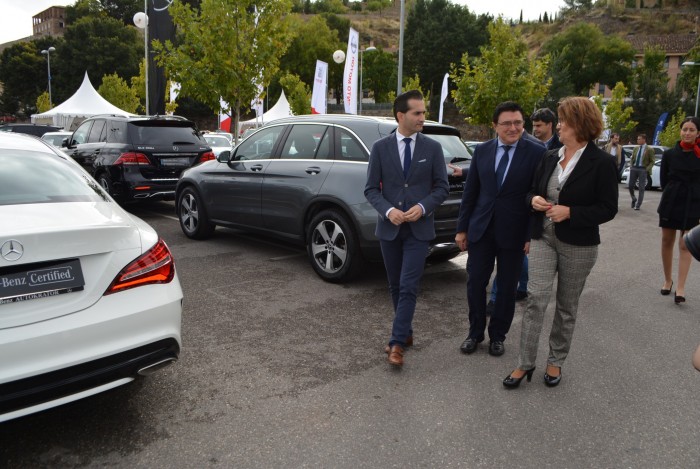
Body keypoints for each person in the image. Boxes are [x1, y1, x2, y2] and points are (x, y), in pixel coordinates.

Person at [502, 97, 618, 389]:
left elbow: (608, 208)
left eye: (565, 120)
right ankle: (525, 363)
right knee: (535, 300)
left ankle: (555, 361)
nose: (560, 125)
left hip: (579, 244)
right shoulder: (549, 156)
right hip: (543, 237)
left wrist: (573, 212)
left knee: (566, 306)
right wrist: (535, 200)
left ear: (581, 124)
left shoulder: (602, 163)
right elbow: (529, 192)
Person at [364, 90, 449, 367]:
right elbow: (370, 190)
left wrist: (423, 207)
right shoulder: (379, 148)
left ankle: (397, 343)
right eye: (418, 113)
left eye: (423, 112)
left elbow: (441, 188)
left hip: (419, 230)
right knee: (395, 285)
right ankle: (407, 333)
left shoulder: (432, 148)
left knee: (409, 285)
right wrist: (389, 211)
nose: (423, 117)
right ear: (401, 115)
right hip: (389, 229)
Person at [455, 101, 546, 357]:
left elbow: (536, 195)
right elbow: (470, 191)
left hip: (515, 233)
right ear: (495, 126)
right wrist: (462, 229)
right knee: (475, 284)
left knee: (507, 287)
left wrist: (531, 235)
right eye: (507, 123)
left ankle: (498, 336)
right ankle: (474, 333)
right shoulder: (482, 151)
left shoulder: (536, 152)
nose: (513, 128)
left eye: (518, 122)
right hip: (481, 229)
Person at [657, 116, 700, 305]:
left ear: (698, 133)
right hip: (671, 200)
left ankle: (680, 287)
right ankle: (668, 280)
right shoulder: (669, 154)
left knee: (685, 244)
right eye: (685, 129)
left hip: (693, 202)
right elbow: (665, 180)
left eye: (692, 130)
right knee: (667, 240)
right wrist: (671, 192)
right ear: (680, 131)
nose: (687, 133)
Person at [628, 134, 655, 210]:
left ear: (644, 140)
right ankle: (634, 198)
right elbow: (632, 158)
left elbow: (652, 161)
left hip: (643, 169)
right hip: (634, 168)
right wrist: (631, 165)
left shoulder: (649, 149)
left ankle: (638, 205)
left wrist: (647, 169)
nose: (638, 140)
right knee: (630, 186)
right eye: (637, 139)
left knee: (641, 188)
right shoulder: (636, 148)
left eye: (639, 139)